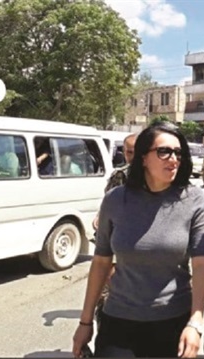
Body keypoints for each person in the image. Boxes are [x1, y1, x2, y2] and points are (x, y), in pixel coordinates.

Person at [72, 122, 204, 358]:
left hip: (172, 322)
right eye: (164, 151)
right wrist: (85, 323)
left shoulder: (194, 200)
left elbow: (201, 265)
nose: (173, 159)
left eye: (178, 152)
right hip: (118, 321)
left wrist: (195, 322)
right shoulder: (116, 200)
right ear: (143, 158)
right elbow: (101, 262)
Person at [92, 132, 138, 327]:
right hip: (117, 243)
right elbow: (108, 205)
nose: (132, 157)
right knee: (105, 301)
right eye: (128, 152)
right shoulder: (120, 176)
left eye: (136, 152)